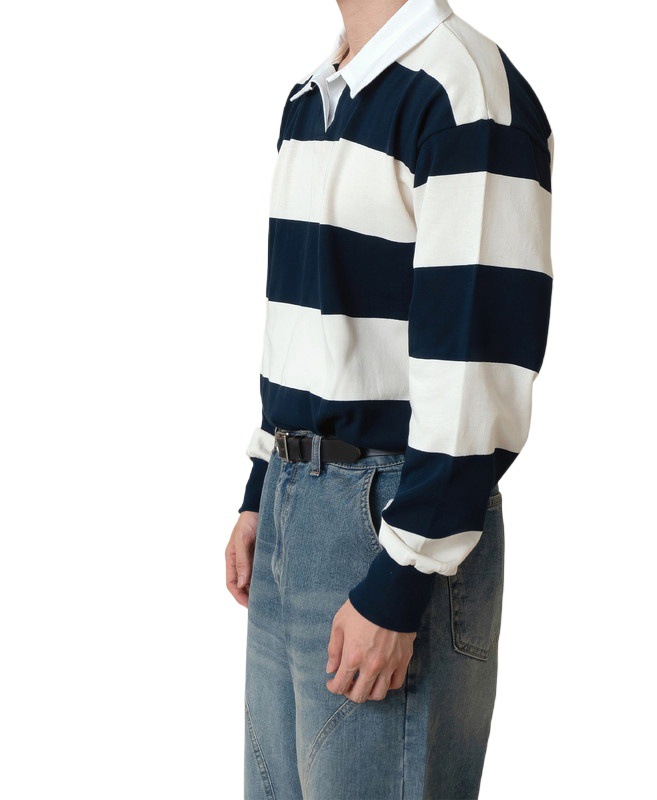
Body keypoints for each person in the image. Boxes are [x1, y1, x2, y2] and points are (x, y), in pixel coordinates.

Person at [224, 0, 554, 796]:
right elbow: (306, 321)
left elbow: (477, 360)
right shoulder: (313, 98)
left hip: (390, 517)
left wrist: (404, 576)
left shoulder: (464, 92)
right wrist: (263, 486)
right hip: (294, 510)